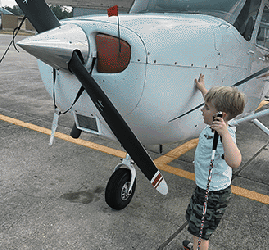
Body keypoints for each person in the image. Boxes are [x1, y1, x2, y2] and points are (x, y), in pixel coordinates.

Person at [183, 74, 246, 250]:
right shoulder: (216, 121)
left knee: (201, 234)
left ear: (220, 115)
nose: (202, 110)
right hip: (203, 188)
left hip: (213, 194)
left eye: (206, 107)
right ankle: (196, 246)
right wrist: (203, 88)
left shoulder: (226, 135)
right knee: (196, 226)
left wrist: (225, 134)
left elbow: (235, 162)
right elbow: (213, 103)